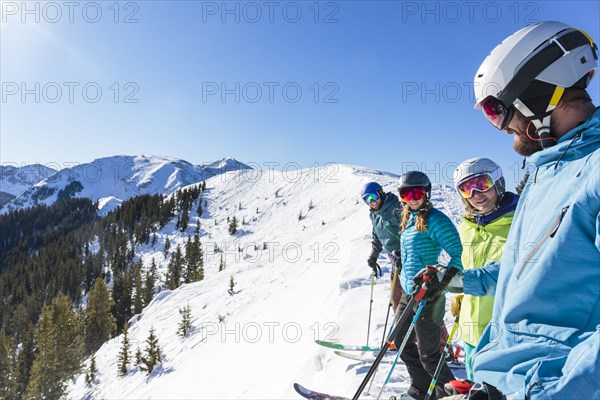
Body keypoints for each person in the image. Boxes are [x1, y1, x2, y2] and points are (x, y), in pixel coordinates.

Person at [439, 21, 600, 400]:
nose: (499, 126)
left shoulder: (593, 172)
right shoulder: (546, 175)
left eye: (497, 109)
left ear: (538, 95)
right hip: (502, 381)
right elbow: (518, 269)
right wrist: (458, 281)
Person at [393, 171, 463, 400]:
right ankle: (422, 387)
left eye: (417, 192)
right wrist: (400, 259)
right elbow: (414, 252)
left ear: (426, 193)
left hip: (429, 296)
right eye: (406, 193)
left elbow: (458, 254)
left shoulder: (436, 220)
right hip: (409, 292)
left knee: (429, 355)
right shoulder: (409, 218)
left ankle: (449, 395)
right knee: (401, 341)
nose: (412, 198)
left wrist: (439, 283)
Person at [450, 158, 519, 381]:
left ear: (498, 181)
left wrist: (460, 282)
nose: (476, 194)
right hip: (471, 334)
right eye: (467, 188)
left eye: (482, 183)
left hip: (503, 335)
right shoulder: (467, 229)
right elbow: (468, 268)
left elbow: (512, 272)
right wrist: (462, 297)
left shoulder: (520, 222)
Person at [361, 181, 404, 313]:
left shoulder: (396, 208)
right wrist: (373, 256)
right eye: (367, 199)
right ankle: (403, 331)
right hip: (395, 261)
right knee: (396, 300)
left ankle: (435, 333)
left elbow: (411, 230)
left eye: (373, 197)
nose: (372, 202)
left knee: (417, 301)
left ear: (380, 193)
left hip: (408, 258)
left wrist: (404, 253)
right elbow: (377, 237)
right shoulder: (374, 214)